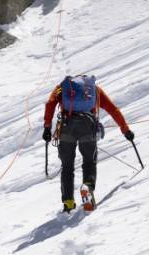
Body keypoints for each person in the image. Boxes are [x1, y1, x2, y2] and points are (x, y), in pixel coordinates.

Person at [43, 75, 134, 212]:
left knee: (67, 166)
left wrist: (47, 127)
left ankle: (68, 202)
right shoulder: (94, 90)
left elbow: (50, 103)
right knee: (89, 161)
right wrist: (125, 129)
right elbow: (112, 109)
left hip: (67, 127)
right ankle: (88, 187)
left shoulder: (62, 88)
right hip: (88, 127)